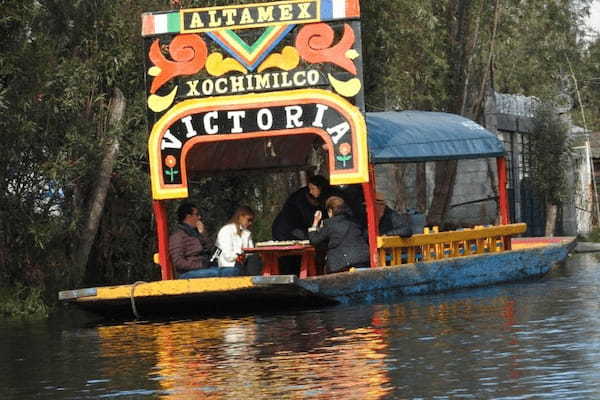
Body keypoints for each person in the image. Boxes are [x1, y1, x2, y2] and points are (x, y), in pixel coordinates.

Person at [308, 196, 370, 274]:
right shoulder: (354, 221)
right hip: (363, 260)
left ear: (330, 211)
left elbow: (314, 240)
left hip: (342, 265)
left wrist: (315, 222)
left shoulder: (330, 224)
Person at [271, 174, 329, 241]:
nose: (311, 191)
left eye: (313, 189)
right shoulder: (300, 200)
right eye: (310, 189)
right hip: (286, 231)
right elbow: (310, 221)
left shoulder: (320, 196)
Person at [169, 202, 215, 279]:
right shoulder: (178, 236)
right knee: (220, 273)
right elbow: (178, 261)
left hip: (205, 268)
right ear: (188, 217)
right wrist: (199, 265)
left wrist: (203, 234)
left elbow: (211, 248)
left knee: (229, 271)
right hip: (188, 273)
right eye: (196, 214)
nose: (199, 217)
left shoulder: (197, 233)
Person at [215, 205, 262, 275]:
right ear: (240, 217)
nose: (250, 223)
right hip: (229, 266)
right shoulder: (226, 230)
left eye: (251, 221)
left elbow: (251, 252)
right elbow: (228, 256)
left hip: (242, 264)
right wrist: (242, 255)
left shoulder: (247, 233)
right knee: (253, 262)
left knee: (256, 259)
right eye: (249, 220)